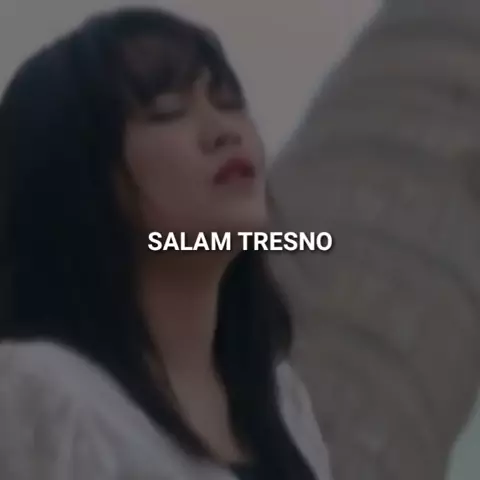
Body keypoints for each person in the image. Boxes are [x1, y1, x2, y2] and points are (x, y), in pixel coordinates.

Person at [0, 7, 331, 480]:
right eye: (167, 111)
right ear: (83, 180)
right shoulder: (39, 393)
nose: (223, 131)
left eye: (228, 101)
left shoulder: (281, 399)